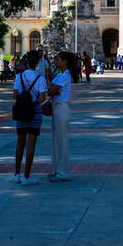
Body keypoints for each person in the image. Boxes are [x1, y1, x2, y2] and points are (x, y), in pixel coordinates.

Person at [12, 50, 47, 184]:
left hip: (21, 112)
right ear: (37, 62)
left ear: (26, 62)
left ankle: (16, 174)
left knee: (20, 143)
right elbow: (42, 98)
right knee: (31, 144)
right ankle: (27, 176)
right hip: (35, 112)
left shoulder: (19, 76)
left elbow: (14, 95)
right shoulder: (40, 78)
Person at [46, 51, 75, 182]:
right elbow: (51, 87)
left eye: (58, 59)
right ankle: (56, 169)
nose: (55, 61)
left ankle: (62, 171)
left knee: (61, 141)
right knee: (56, 141)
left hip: (61, 107)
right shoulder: (61, 75)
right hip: (57, 108)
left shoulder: (65, 75)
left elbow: (52, 90)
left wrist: (50, 88)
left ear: (65, 61)